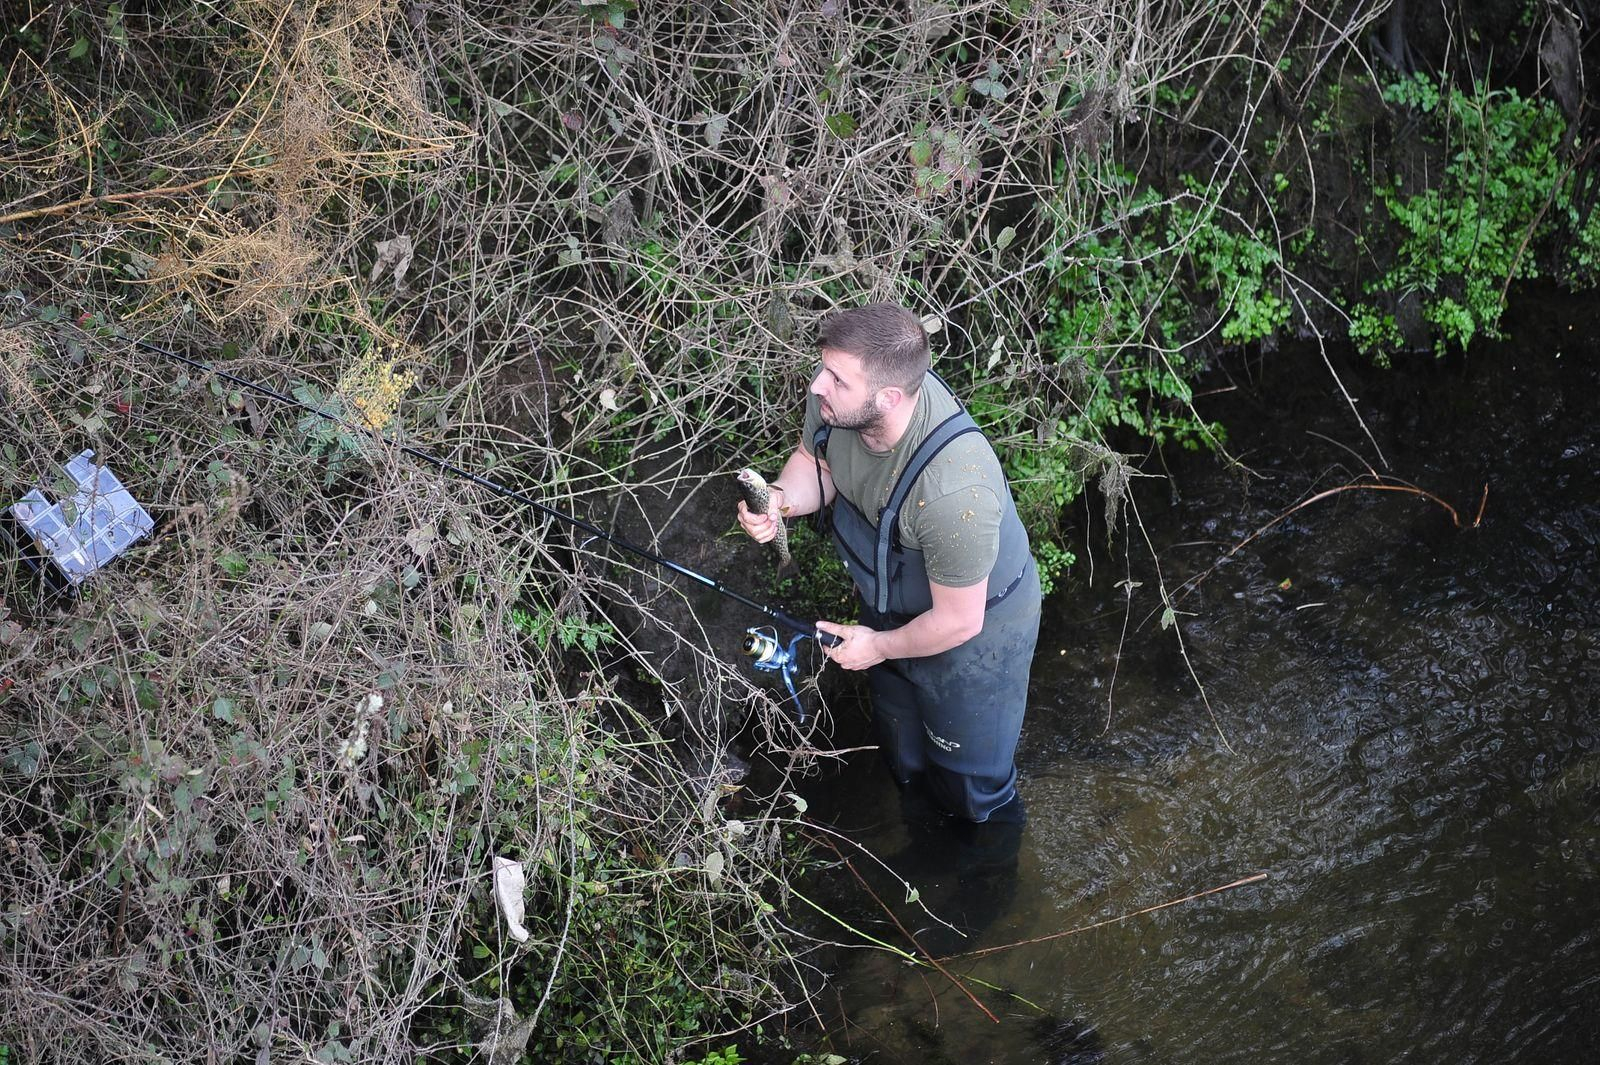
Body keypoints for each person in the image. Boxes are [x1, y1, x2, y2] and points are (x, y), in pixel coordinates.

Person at [737, 302, 1041, 824]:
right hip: (888, 607)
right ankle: (919, 837)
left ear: (889, 398)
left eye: (836, 378)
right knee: (906, 759)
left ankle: (989, 884)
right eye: (824, 368)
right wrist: (781, 499)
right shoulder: (838, 405)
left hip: (976, 637)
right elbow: (815, 463)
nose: (817, 386)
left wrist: (875, 646)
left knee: (974, 793)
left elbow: (958, 621)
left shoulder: (952, 491)